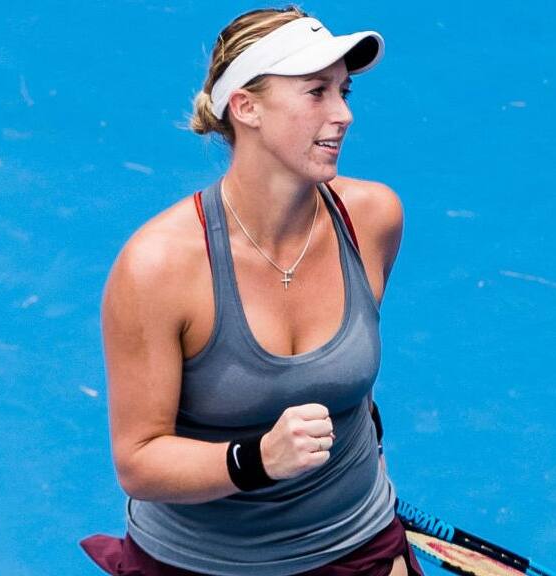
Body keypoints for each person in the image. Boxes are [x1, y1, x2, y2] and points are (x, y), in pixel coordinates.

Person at [80, 6, 423, 576]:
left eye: (344, 91)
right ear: (246, 107)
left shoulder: (372, 218)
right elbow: (139, 462)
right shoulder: (158, 268)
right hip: (199, 565)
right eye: (316, 92)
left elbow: (347, 385)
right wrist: (257, 459)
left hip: (357, 543)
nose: (343, 114)